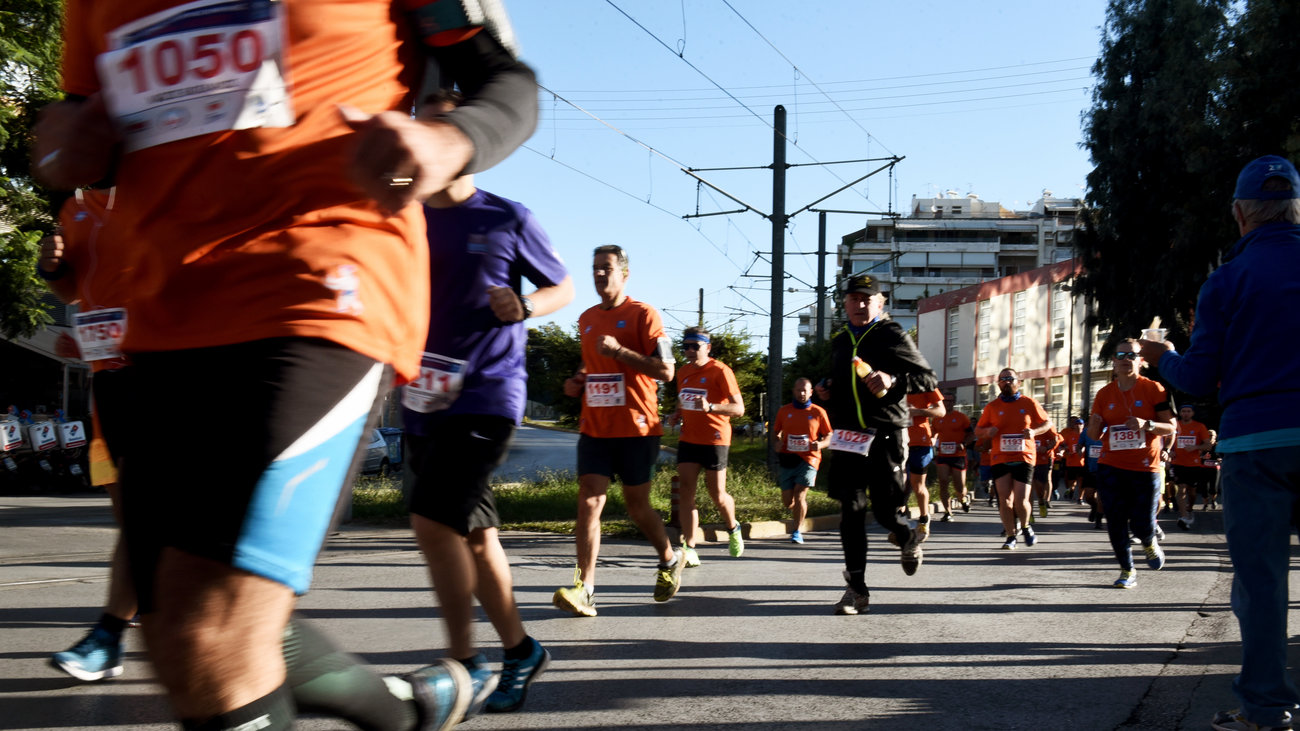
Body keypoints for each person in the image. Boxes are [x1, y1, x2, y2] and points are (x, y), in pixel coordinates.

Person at [33, 2, 539, 729]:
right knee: (180, 627)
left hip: (324, 291)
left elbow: (506, 82)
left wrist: (449, 141)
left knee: (212, 631)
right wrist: (63, 147)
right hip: (161, 314)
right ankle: (402, 709)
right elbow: (82, 127)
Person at [401, 90, 573, 715]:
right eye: (427, 121)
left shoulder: (506, 217)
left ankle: (464, 662)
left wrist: (526, 306)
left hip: (486, 394)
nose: (436, 132)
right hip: (420, 395)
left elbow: (561, 286)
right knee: (474, 538)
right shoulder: (404, 212)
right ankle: (521, 650)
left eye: (450, 121)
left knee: (431, 520)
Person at [1139, 155, 1300, 731]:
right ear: (1295, 208)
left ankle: (1267, 708)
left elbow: (1201, 379)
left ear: (1239, 214)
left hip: (1257, 440)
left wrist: (1163, 361)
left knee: (1262, 582)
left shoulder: (1228, 280)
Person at [40, 189, 138, 682]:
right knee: (134, 519)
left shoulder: (167, 180)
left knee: (150, 518)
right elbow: (74, 292)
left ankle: (110, 633)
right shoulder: (76, 207)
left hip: (168, 373)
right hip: (107, 380)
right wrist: (54, 269)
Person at [553, 245, 682, 617]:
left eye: (606, 268)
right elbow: (591, 362)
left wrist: (621, 352)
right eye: (594, 268)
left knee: (637, 507)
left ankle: (669, 557)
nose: (598, 274)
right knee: (589, 501)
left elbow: (667, 371)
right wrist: (578, 379)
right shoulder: (586, 318)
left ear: (624, 274)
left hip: (637, 428)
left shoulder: (645, 315)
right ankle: (586, 588)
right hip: (595, 426)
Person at [813, 274, 937, 615]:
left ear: (880, 303)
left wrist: (893, 379)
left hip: (885, 434)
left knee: (884, 511)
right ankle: (856, 589)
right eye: (854, 298)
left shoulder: (891, 334)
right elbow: (842, 383)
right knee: (850, 513)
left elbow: (928, 377)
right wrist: (828, 388)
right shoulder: (839, 342)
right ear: (846, 303)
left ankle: (907, 536)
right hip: (848, 436)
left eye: (867, 298)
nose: (860, 303)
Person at [1087, 339, 1175, 590]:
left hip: (1145, 467)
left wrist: (1146, 424)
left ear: (1141, 361)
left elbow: (1171, 427)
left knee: (1142, 523)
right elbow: (1094, 435)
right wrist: (1093, 426)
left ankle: (1148, 541)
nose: (1126, 358)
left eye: (1132, 354)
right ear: (1113, 361)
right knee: (1114, 520)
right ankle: (1127, 570)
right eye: (1121, 354)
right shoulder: (1104, 394)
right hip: (1111, 465)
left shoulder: (1155, 389)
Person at [667, 327, 746, 565]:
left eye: (695, 346)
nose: (690, 351)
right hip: (689, 438)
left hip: (715, 438)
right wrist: (676, 414)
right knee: (685, 494)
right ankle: (690, 547)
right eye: (686, 346)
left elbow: (739, 409)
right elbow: (685, 400)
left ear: (707, 348)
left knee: (717, 494)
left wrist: (711, 407)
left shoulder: (721, 371)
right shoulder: (683, 372)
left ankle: (733, 527)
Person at [975, 369, 1053, 550]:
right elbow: (978, 430)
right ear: (998, 384)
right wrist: (987, 432)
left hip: (1024, 455)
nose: (1006, 382)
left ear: (1018, 382)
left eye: (1010, 379)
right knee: (1005, 500)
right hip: (1000, 457)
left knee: (1020, 499)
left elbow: (1047, 423)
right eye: (1002, 380)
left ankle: (1025, 526)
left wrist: (1034, 432)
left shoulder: (1028, 402)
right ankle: (1010, 536)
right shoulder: (992, 407)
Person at [771, 378, 833, 543]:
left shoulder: (818, 412)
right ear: (794, 391)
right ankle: (798, 511)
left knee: (800, 494)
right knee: (787, 501)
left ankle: (797, 531)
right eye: (799, 390)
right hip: (788, 457)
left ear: (811, 392)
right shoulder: (784, 411)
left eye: (805, 390)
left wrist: (820, 444)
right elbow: (776, 431)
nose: (802, 393)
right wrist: (777, 443)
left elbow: (829, 435)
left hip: (809, 459)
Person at [903, 388, 945, 537]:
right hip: (898, 441)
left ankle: (923, 519)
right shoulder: (891, 380)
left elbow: (941, 411)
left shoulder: (925, 383)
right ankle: (900, 524)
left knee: (917, 485)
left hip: (920, 443)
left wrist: (918, 411)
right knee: (899, 485)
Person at [1170, 405, 1213, 530]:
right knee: (1181, 489)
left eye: (1188, 411)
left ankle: (1190, 508)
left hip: (1194, 464)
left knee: (1192, 491)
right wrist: (1169, 451)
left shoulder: (1199, 426)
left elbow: (1208, 445)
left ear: (1193, 413)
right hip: (1178, 463)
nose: (1186, 414)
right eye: (1183, 411)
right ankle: (1183, 516)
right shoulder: (1175, 425)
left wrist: (1195, 447)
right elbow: (1167, 440)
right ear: (1180, 413)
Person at [931, 392, 973, 520]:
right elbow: (933, 434)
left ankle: (963, 499)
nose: (947, 403)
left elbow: (971, 434)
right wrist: (933, 443)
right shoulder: (937, 418)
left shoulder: (962, 417)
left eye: (950, 401)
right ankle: (948, 512)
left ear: (954, 403)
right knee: (943, 482)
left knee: (959, 487)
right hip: (943, 455)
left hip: (958, 455)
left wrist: (963, 443)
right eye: (945, 401)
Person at [1031, 425, 1063, 518]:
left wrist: (1047, 448)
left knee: (1041, 485)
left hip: (1044, 458)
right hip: (1027, 458)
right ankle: (1029, 514)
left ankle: (1043, 501)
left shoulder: (1047, 424)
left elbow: (1056, 439)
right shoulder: (1024, 420)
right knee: (1028, 487)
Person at [1059, 416, 1087, 506]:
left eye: (1080, 424)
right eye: (1077, 424)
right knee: (1072, 482)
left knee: (1082, 481)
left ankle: (1080, 498)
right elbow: (1063, 445)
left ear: (1083, 425)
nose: (1078, 426)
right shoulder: (1069, 435)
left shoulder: (1086, 435)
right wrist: (1066, 450)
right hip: (1071, 462)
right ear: (1074, 426)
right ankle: (1070, 490)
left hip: (1083, 463)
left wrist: (1083, 450)